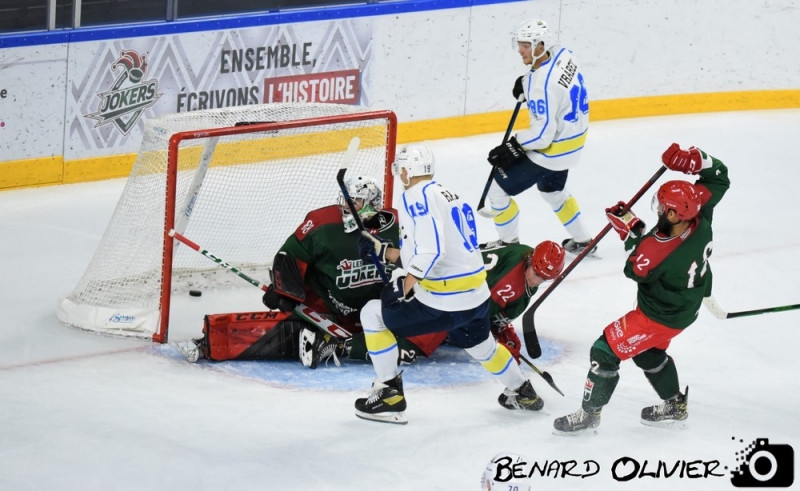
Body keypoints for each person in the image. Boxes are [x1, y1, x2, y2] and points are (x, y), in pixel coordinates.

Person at [354, 143, 556, 425]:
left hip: (445, 301)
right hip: (476, 298)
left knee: (372, 314)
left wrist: (405, 286)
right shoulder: (449, 195)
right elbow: (445, 251)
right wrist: (385, 253)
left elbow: (432, 250)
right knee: (482, 345)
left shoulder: (415, 195)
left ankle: (388, 393)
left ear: (405, 171)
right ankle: (522, 391)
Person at [177, 176, 447, 368]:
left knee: (429, 330)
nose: (347, 206)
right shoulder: (322, 224)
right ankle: (209, 342)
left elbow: (425, 263)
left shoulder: (401, 225)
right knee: (284, 331)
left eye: (357, 201)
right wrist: (284, 291)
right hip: (324, 307)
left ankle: (342, 345)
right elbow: (288, 257)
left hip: (379, 308)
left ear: (373, 203)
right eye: (346, 200)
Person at [552, 143, 730, 435]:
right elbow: (720, 176)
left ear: (673, 215)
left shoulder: (658, 250)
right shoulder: (699, 216)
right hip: (685, 306)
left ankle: (589, 415)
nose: (659, 209)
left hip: (658, 315)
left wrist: (629, 230)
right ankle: (674, 404)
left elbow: (636, 268)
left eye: (662, 207)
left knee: (604, 351)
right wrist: (692, 161)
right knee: (647, 354)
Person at [485, 18, 594, 256]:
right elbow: (553, 78)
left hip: (552, 152)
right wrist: (525, 81)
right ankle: (584, 241)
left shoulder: (540, 86)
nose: (520, 50)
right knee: (552, 192)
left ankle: (509, 248)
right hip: (573, 144)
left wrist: (512, 147)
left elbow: (542, 137)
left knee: (497, 191)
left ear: (541, 45)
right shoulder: (565, 54)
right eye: (520, 44)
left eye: (526, 45)